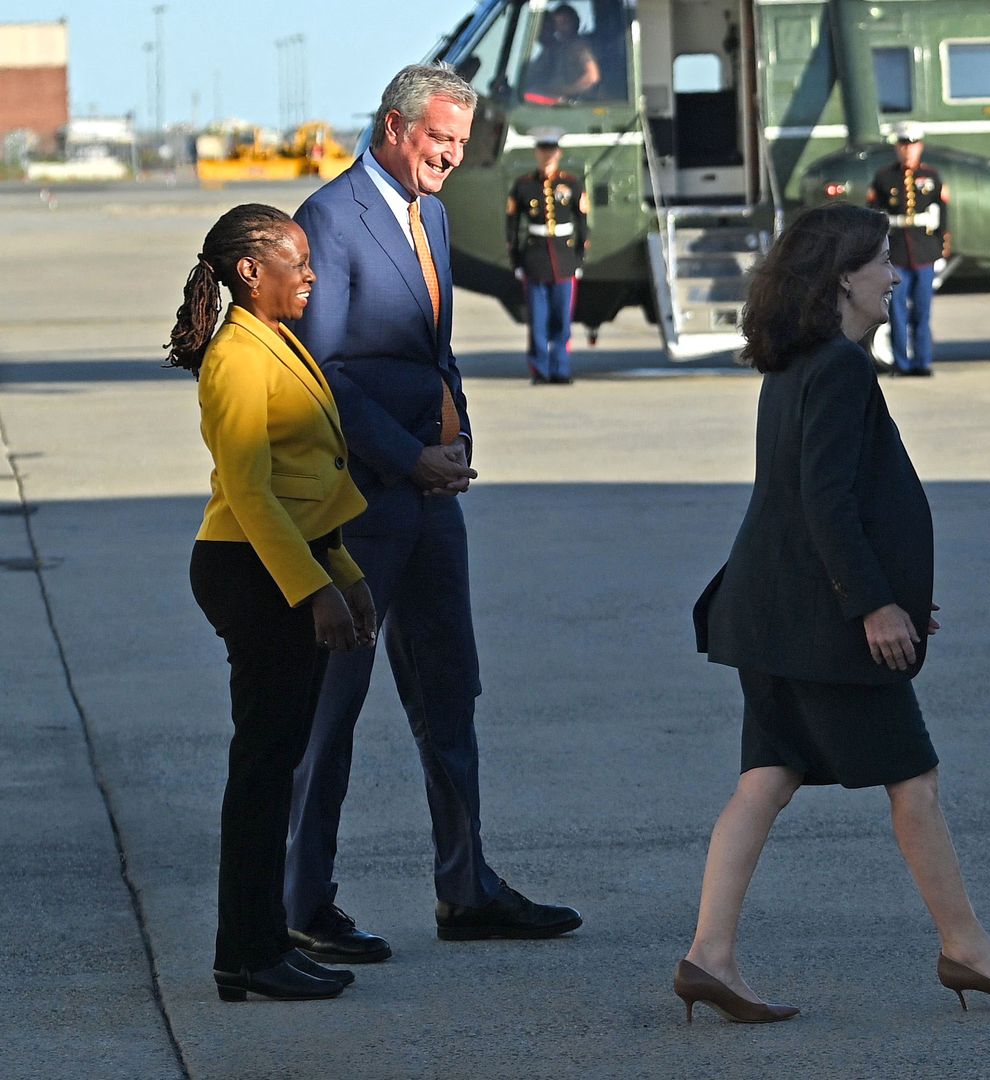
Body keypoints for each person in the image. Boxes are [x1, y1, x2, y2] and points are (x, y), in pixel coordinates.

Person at [680, 203, 990, 1023]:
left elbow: (809, 504)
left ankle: (709, 957)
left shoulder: (795, 362)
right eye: (881, 263)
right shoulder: (842, 368)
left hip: (769, 612)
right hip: (818, 624)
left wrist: (889, 596)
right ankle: (966, 949)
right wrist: (872, 606)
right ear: (843, 279)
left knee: (766, 778)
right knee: (915, 780)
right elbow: (826, 501)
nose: (895, 276)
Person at [285, 62, 581, 965]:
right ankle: (303, 904)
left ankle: (466, 887)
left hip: (432, 497)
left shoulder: (437, 215)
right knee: (331, 708)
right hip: (363, 504)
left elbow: (429, 349)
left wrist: (453, 430)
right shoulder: (329, 222)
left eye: (459, 144)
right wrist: (406, 453)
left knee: (450, 692)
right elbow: (323, 372)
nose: (451, 158)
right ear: (392, 127)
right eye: (438, 141)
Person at [166, 203, 378, 1001]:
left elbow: (306, 484)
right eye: (297, 260)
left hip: (283, 560)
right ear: (250, 272)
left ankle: (255, 948)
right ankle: (248, 954)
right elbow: (252, 495)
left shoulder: (272, 341)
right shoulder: (237, 359)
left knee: (273, 765)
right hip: (251, 571)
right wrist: (314, 589)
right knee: (262, 771)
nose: (311, 273)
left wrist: (344, 569)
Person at [507, 128, 590, 385]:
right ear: (537, 152)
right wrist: (517, 261)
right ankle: (540, 369)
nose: (547, 155)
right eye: (543, 150)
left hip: (564, 260)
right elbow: (511, 226)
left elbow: (583, 224)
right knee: (538, 321)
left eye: (551, 151)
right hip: (535, 259)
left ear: (559, 153)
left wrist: (578, 259)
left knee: (562, 321)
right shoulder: (523, 186)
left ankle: (561, 369)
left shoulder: (573, 184)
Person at [868, 122, 947, 377]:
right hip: (897, 253)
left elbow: (941, 215)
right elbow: (873, 215)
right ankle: (901, 363)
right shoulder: (883, 179)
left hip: (924, 253)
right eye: (903, 145)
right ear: (897, 148)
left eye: (912, 145)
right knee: (897, 311)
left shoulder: (932, 177)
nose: (908, 150)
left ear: (920, 147)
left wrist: (942, 247)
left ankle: (922, 362)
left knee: (922, 312)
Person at [522, 3, 600, 105]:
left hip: (572, 105)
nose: (561, 27)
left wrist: (565, 91)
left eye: (565, 22)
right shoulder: (556, 49)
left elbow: (592, 77)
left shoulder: (578, 47)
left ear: (575, 22)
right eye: (557, 23)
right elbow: (532, 75)